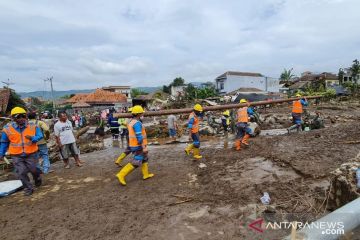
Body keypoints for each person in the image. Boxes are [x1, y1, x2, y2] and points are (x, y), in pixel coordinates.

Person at [0, 107, 43, 196]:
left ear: (26, 116)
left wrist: (33, 138)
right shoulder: (7, 129)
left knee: (34, 170)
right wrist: (1, 153)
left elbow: (40, 135)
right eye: (18, 117)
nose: (21, 119)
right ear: (13, 118)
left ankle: (37, 178)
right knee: (21, 172)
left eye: (23, 116)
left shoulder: (32, 126)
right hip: (16, 155)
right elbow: (4, 142)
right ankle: (28, 188)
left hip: (31, 153)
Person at [115, 105, 154, 186]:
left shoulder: (131, 122)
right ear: (139, 114)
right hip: (138, 145)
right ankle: (121, 174)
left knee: (145, 159)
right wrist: (144, 147)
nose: (142, 114)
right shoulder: (137, 124)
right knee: (137, 162)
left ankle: (146, 174)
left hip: (133, 144)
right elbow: (139, 137)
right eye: (141, 113)